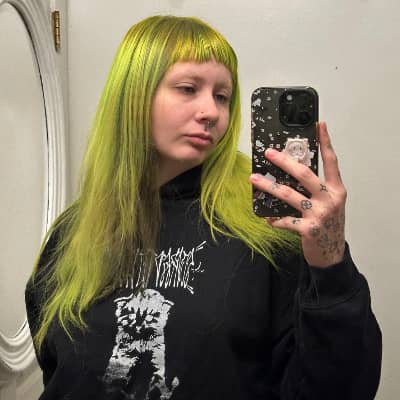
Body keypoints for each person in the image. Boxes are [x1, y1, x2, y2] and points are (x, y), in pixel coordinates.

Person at [25, 15, 382, 400]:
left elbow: (340, 386)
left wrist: (330, 260)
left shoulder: (266, 229)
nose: (211, 112)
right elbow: (58, 371)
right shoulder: (72, 234)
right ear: (133, 95)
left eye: (222, 96)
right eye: (188, 88)